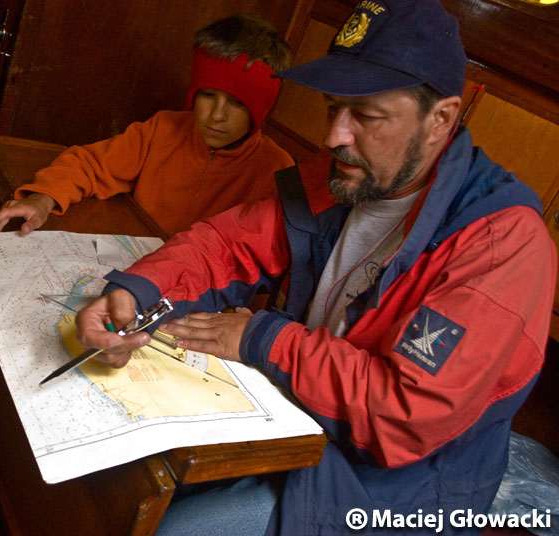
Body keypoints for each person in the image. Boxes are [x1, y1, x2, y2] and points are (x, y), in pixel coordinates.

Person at [73, 0, 557, 534]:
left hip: (395, 488)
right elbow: (228, 245)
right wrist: (138, 292)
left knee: (175, 528)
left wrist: (264, 339)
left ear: (440, 119)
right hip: (303, 411)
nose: (333, 137)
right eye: (332, 108)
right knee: (118, 472)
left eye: (365, 116)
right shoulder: (347, 176)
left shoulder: (501, 246)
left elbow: (405, 413)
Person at [0, 13, 294, 238]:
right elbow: (90, 164)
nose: (216, 115)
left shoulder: (277, 171)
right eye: (208, 95)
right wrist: (44, 197)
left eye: (237, 103)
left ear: (259, 111)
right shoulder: (163, 129)